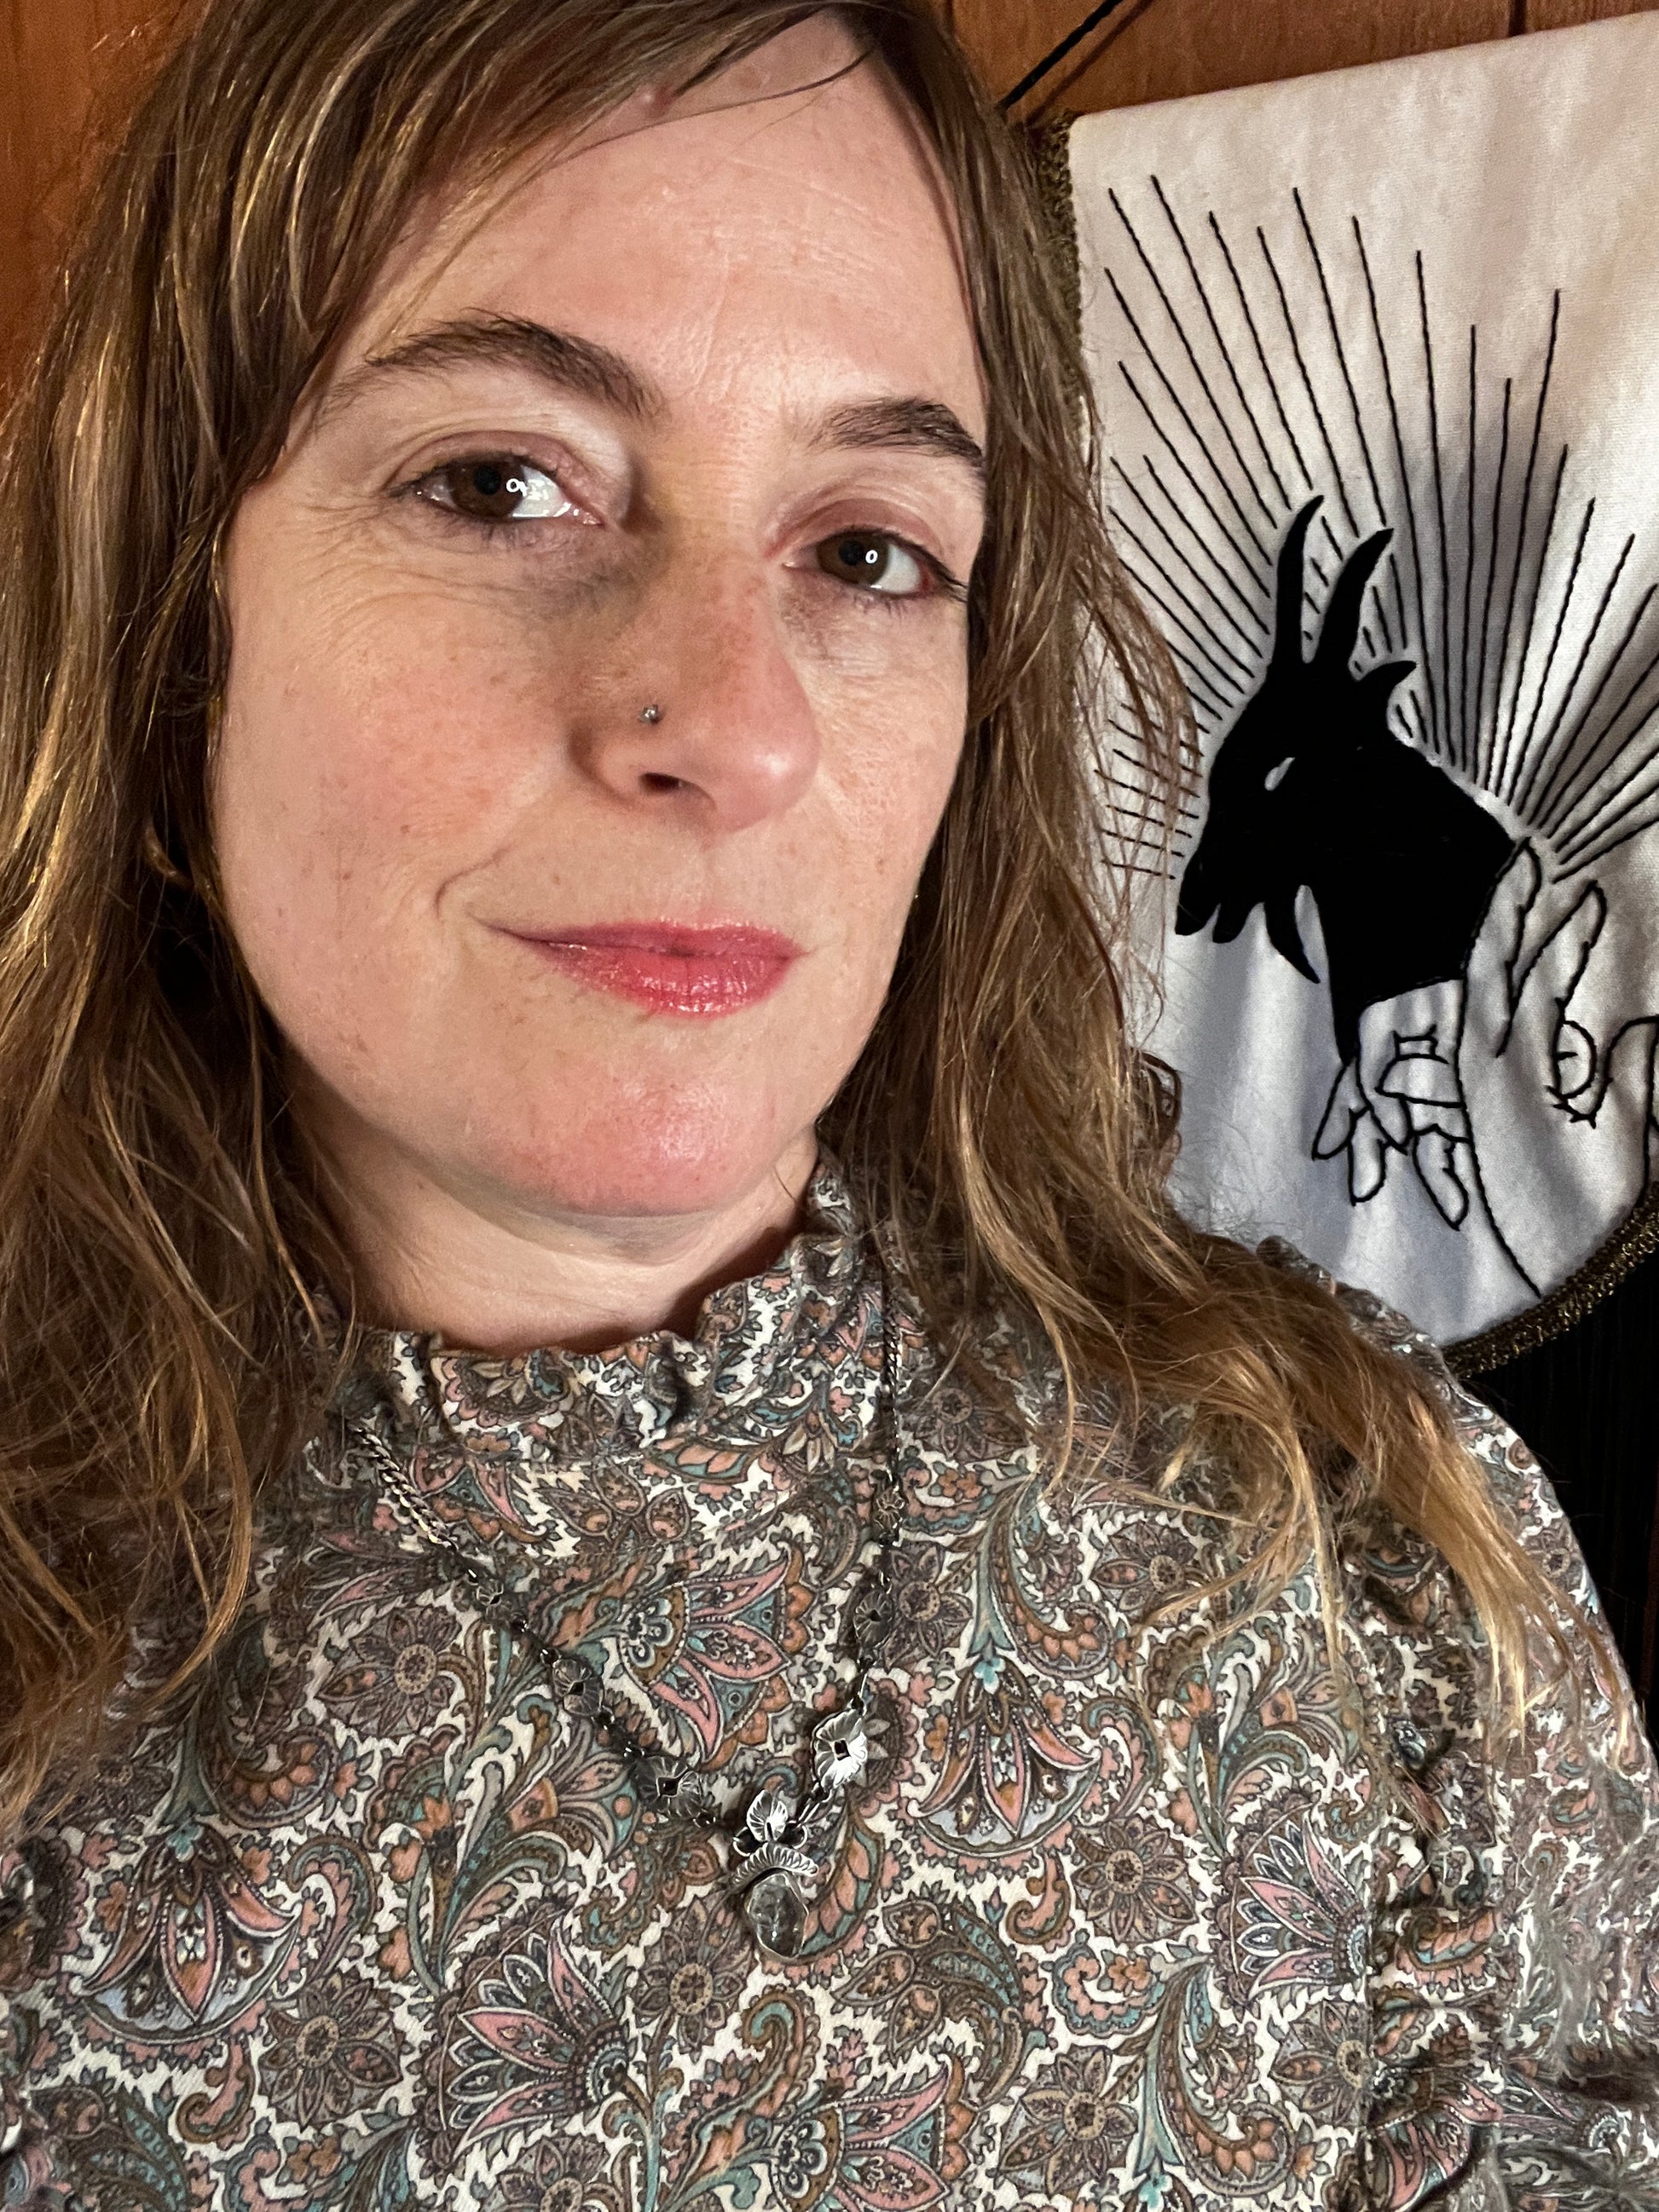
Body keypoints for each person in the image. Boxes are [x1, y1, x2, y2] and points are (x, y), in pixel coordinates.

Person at [0, 0, 1654, 2204]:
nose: (737, 726)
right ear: (172, 611)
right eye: (498, 482)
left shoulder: (1372, 1542)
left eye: (868, 548)